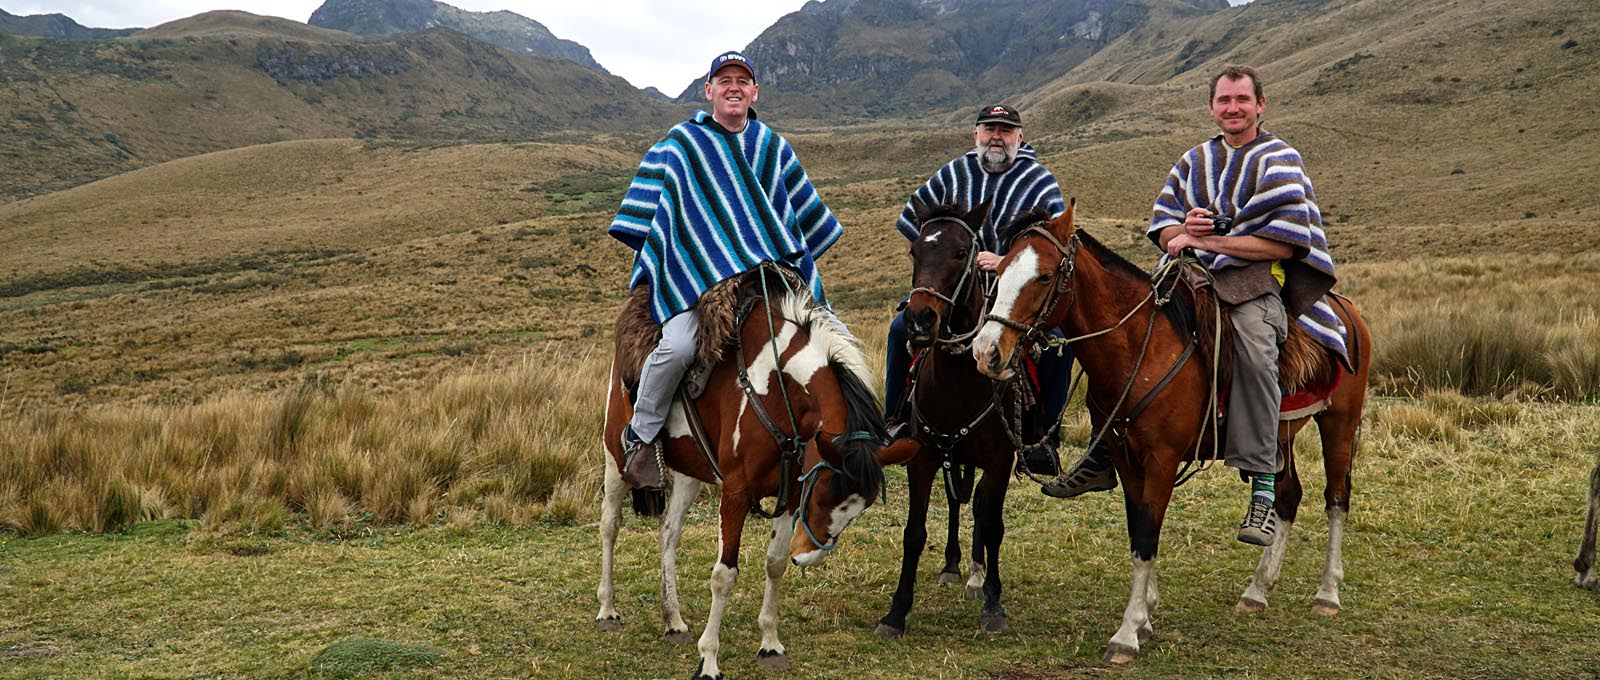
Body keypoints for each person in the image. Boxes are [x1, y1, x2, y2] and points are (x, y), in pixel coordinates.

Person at [1051, 65, 1338, 548]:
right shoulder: (1194, 160)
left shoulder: (1281, 158)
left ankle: (1265, 486)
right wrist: (1182, 233)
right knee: (1120, 339)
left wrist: (1214, 239)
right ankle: (1104, 451)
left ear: (1260, 105)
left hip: (1254, 284)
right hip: (1188, 275)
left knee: (1256, 353)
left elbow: (1284, 244)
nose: (1232, 108)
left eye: (1242, 100)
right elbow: (1163, 229)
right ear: (1211, 107)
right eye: (1224, 100)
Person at [608, 50, 847, 489]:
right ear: (709, 91)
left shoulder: (771, 146)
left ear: (754, 91)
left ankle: (840, 438)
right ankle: (640, 439)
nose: (733, 87)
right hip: (699, 282)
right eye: (724, 80)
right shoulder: (684, 143)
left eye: (742, 80)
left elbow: (797, 215)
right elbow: (659, 214)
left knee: (831, 340)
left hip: (765, 277)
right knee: (679, 346)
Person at [885, 104, 1074, 477]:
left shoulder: (1038, 180)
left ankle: (1042, 440)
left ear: (1019, 138)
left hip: (1014, 290)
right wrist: (939, 265)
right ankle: (895, 421)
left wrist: (1004, 260)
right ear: (976, 136)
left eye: (1006, 131)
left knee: (1056, 344)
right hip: (951, 288)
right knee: (899, 330)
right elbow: (915, 225)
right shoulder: (953, 173)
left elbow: (1052, 245)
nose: (996, 138)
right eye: (989, 129)